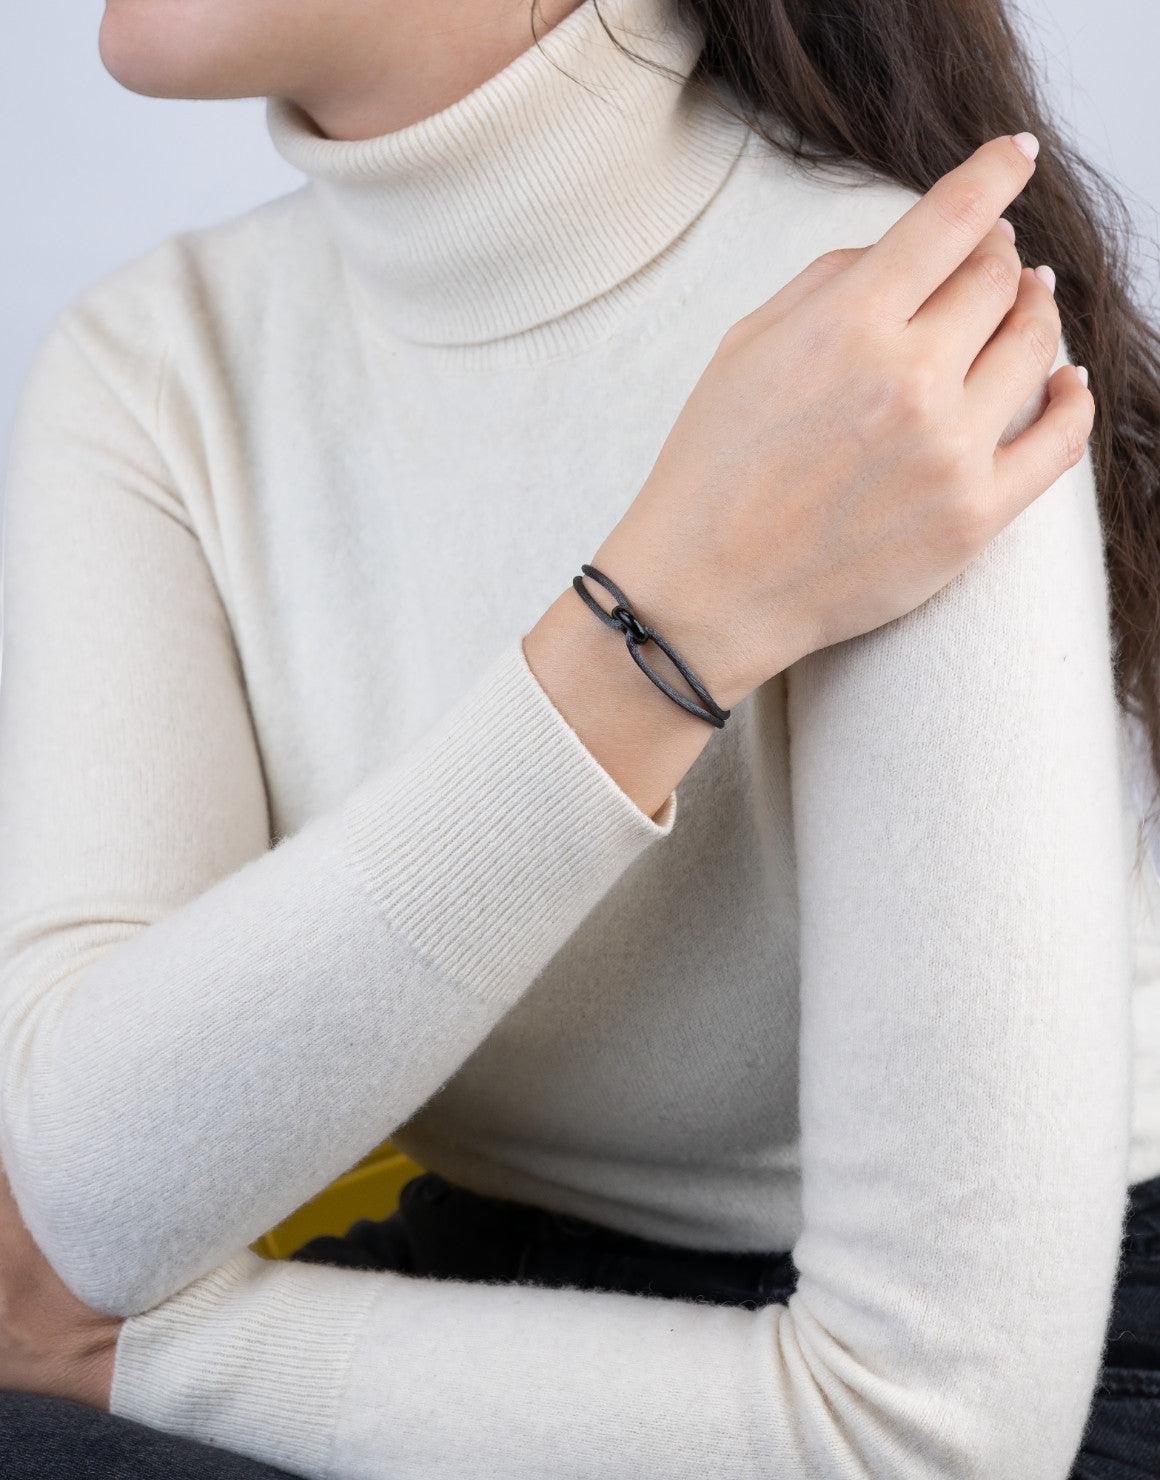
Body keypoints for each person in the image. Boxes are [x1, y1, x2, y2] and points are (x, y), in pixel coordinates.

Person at [0, 0, 1157, 1475]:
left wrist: (150, 1359)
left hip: (1049, 1386)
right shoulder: (153, 368)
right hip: (482, 1286)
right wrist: (669, 614)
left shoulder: (897, 351)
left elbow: (930, 1434)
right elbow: (92, 1204)